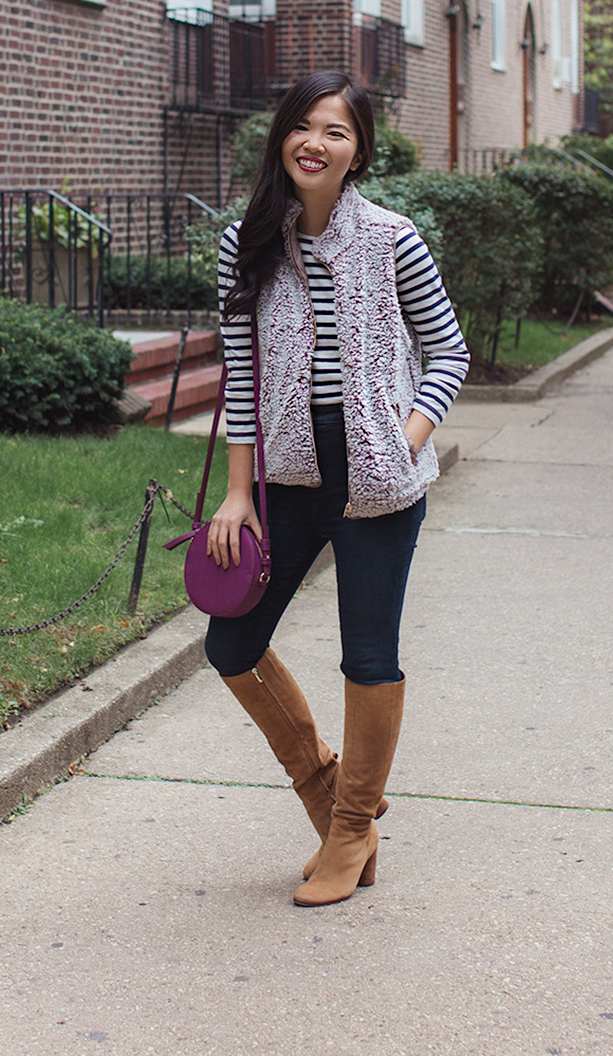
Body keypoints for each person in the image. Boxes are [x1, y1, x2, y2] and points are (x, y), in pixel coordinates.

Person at [204, 70, 469, 907]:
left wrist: (406, 436)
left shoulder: (393, 239)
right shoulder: (245, 243)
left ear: (358, 155)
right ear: (282, 137)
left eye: (339, 132)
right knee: (230, 644)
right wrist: (237, 493)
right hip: (286, 475)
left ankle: (351, 832)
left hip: (379, 478)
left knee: (368, 653)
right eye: (305, 127)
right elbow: (240, 375)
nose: (317, 143)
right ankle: (329, 792)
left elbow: (448, 352)